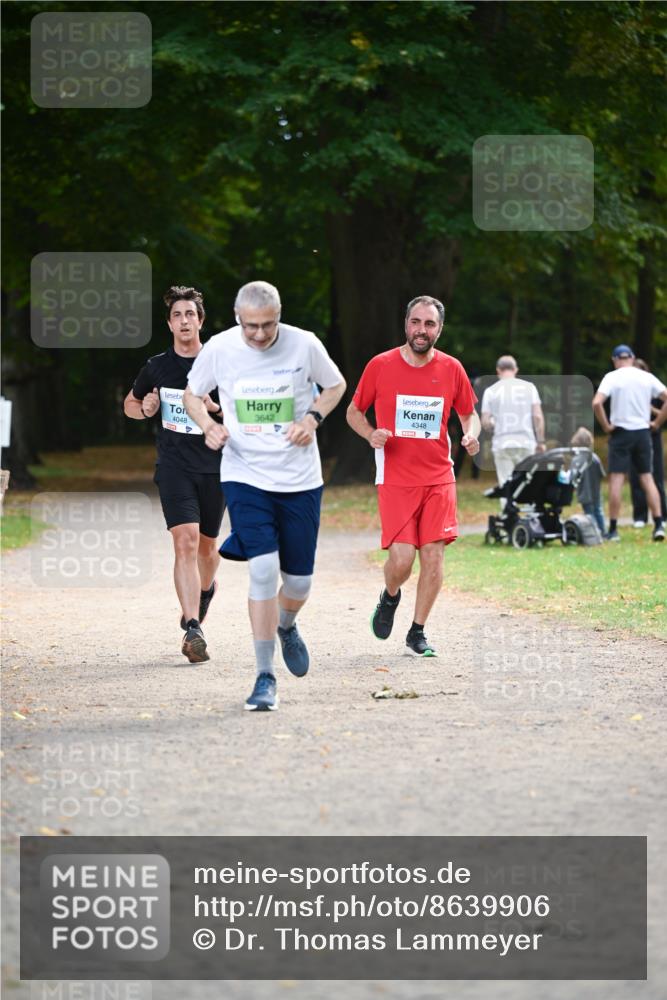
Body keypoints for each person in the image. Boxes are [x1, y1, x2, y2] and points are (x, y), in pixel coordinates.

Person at [183, 280, 346, 712]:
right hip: (245, 473)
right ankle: (264, 676)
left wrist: (311, 418)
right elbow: (192, 395)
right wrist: (209, 426)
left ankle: (287, 624)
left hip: (299, 479)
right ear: (238, 317)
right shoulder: (219, 348)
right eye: (251, 326)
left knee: (298, 582)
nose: (259, 334)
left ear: (279, 315)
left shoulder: (304, 344)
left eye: (268, 325)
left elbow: (335, 386)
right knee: (263, 570)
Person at [346, 295, 480, 658]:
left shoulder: (452, 368)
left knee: (433, 556)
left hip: (439, 476)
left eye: (430, 324)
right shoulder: (381, 365)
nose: (422, 330)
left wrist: (471, 434)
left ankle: (417, 632)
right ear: (406, 324)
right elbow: (354, 411)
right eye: (417, 322)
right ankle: (390, 595)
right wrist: (369, 433)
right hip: (396, 477)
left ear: (439, 329)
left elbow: (469, 414)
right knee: (402, 560)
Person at [124, 286, 225, 663]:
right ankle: (192, 628)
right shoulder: (157, 367)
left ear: (201, 321)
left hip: (215, 466)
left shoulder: (220, 364)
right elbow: (130, 405)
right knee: (184, 540)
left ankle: (206, 588)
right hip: (174, 467)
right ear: (169, 323)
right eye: (177, 315)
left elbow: (243, 414)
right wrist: (145, 407)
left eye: (190, 315)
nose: (185, 321)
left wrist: (217, 409)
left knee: (207, 549)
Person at [592, 344, 667, 542]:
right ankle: (659, 524)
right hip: (643, 432)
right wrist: (657, 423)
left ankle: (614, 529)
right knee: (647, 478)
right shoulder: (646, 377)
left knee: (617, 479)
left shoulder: (612, 377)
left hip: (621, 433)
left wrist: (606, 426)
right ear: (632, 358)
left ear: (615, 360)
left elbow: (596, 402)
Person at [480, 355, 546, 500]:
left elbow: (485, 422)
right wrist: (540, 442)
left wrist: (492, 424)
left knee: (506, 485)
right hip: (526, 442)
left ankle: (508, 519)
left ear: (498, 370)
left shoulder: (491, 391)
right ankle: (528, 520)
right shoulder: (530, 387)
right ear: (515, 369)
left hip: (502, 444)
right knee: (527, 484)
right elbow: (538, 417)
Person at [629, 359, 667, 528]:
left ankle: (662, 515)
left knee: (656, 474)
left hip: (652, 434)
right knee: (636, 476)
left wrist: (654, 417)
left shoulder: (655, 390)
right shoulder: (627, 391)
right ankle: (639, 516)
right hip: (632, 435)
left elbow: (663, 412)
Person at [570, 427, 606, 536]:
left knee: (589, 513)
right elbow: (602, 474)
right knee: (599, 511)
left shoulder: (576, 460)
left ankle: (596, 533)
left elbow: (572, 477)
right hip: (596, 491)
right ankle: (603, 531)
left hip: (584, 492)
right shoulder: (594, 458)